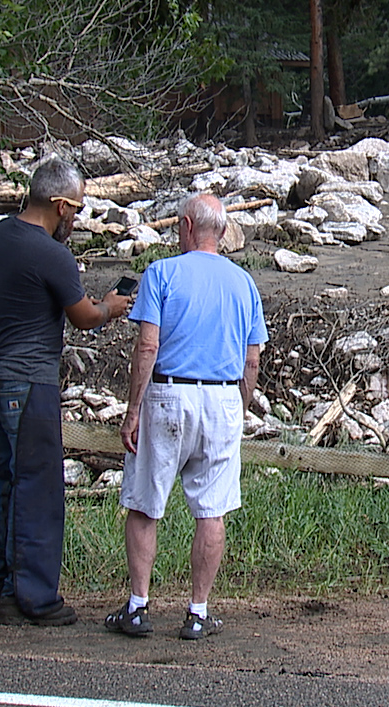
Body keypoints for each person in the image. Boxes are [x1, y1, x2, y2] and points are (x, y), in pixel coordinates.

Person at [0, 158, 130, 626]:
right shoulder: (52, 254)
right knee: (37, 487)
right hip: (28, 380)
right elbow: (83, 316)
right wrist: (111, 307)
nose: (76, 220)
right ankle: (36, 599)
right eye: (75, 211)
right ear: (59, 205)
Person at [105, 193, 267, 640]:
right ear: (221, 231)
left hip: (169, 393)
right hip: (221, 400)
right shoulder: (243, 283)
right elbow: (252, 360)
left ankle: (138, 606)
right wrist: (242, 404)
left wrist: (132, 410)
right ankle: (198, 611)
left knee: (145, 503)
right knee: (211, 510)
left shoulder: (162, 273)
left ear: (187, 227)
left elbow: (147, 347)